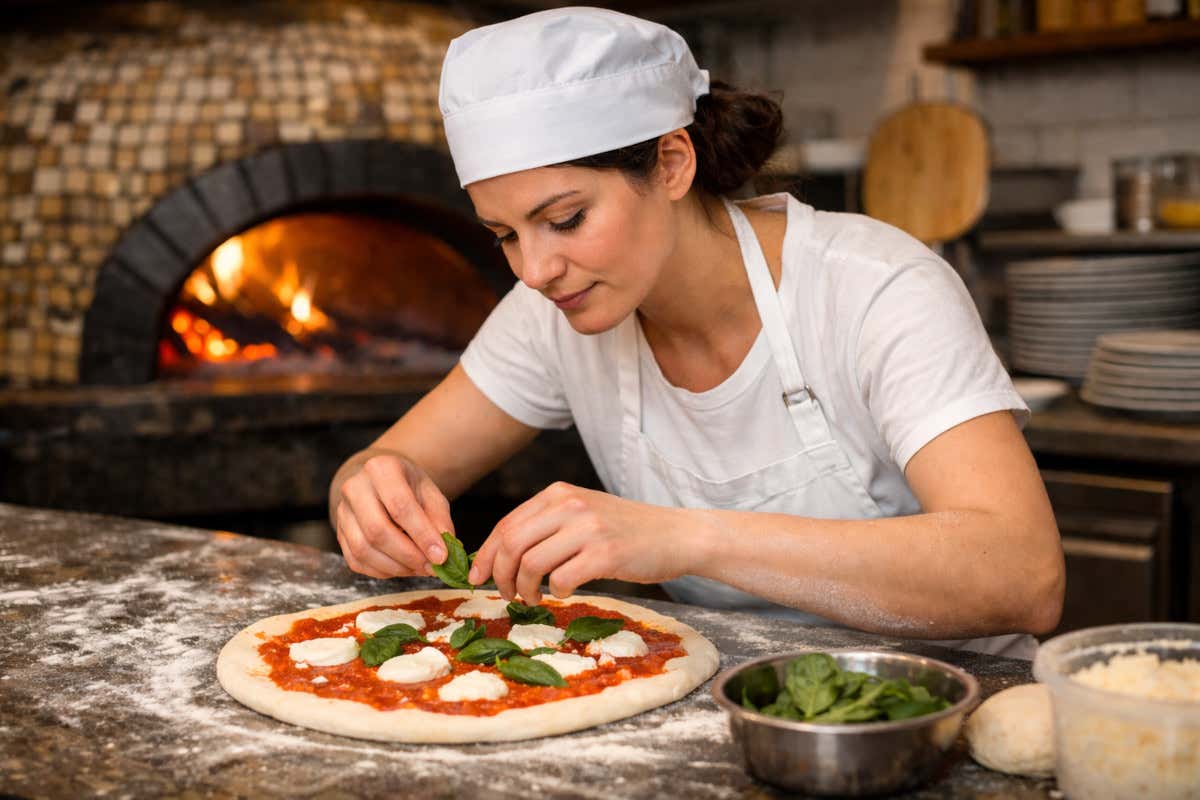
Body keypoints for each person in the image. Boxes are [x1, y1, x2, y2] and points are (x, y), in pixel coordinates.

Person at [328, 7, 1064, 658]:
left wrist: (686, 537)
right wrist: (370, 496)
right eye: (505, 236)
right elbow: (385, 463)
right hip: (735, 701)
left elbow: (1023, 576)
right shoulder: (551, 314)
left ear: (673, 164)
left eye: (566, 219)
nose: (535, 269)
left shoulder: (873, 286)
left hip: (945, 702)